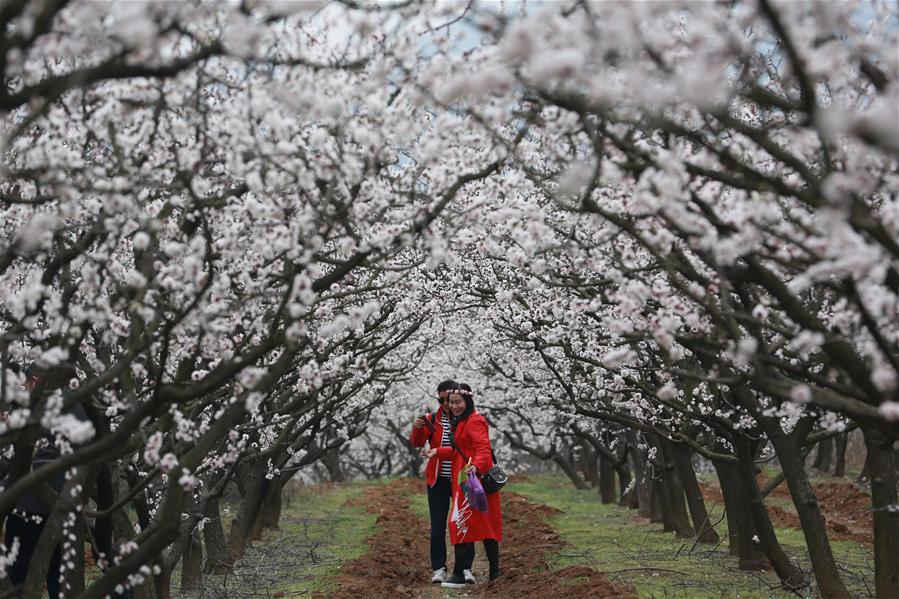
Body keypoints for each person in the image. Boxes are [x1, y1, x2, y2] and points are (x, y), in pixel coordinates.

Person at [425, 385, 502, 587]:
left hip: (472, 479)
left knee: (462, 521)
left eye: (458, 402)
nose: (454, 406)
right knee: (469, 523)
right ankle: (492, 572)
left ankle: (462, 573)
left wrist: (475, 467)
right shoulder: (462, 421)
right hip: (464, 477)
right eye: (451, 402)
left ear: (468, 401)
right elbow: (460, 449)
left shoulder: (474, 421)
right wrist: (438, 452)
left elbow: (483, 449)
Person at [410, 379, 476, 583]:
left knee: (464, 522)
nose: (446, 404)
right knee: (437, 526)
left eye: (449, 399)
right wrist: (418, 428)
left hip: (461, 476)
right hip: (438, 478)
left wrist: (438, 451)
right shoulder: (432, 419)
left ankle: (466, 568)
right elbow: (417, 443)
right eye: (441, 400)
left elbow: (464, 449)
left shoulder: (467, 419)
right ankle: (439, 568)